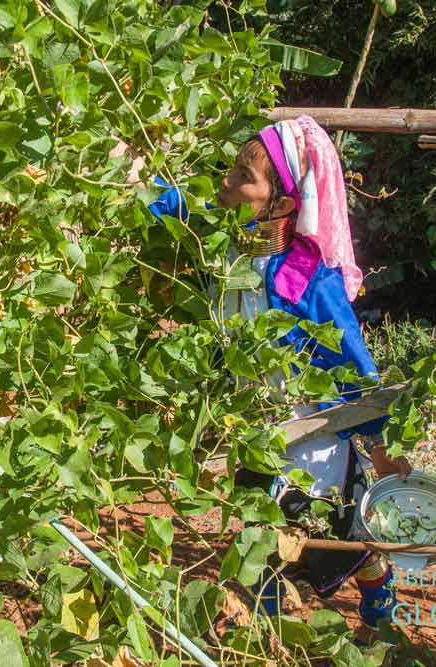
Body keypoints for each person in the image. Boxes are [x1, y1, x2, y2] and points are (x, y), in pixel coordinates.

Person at [144, 115, 411, 634]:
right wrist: (131, 173)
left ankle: (378, 598)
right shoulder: (231, 244)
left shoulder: (308, 280)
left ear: (283, 204)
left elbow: (354, 367)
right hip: (255, 427)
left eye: (244, 176)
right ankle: (265, 632)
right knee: (260, 537)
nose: (226, 181)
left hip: (312, 437)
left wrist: (380, 448)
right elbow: (178, 204)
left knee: (336, 541)